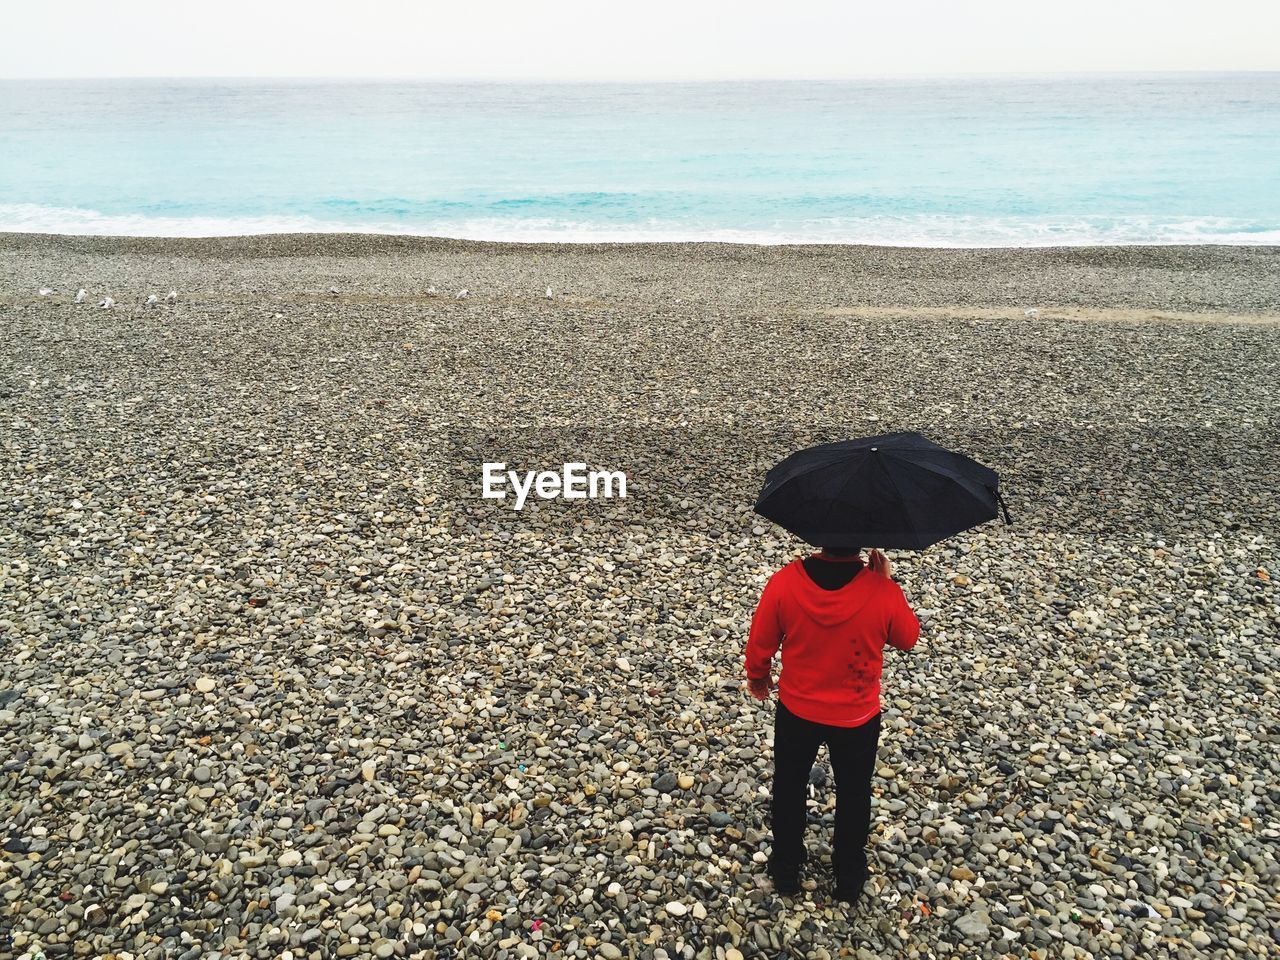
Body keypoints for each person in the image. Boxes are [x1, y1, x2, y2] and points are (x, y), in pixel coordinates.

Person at [744, 545, 919, 902]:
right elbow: (907, 638)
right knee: (854, 793)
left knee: (790, 785)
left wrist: (758, 677)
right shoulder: (881, 590)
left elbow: (760, 642)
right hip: (856, 716)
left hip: (797, 709)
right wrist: (885, 583)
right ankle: (849, 876)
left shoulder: (785, 582)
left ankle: (787, 868)